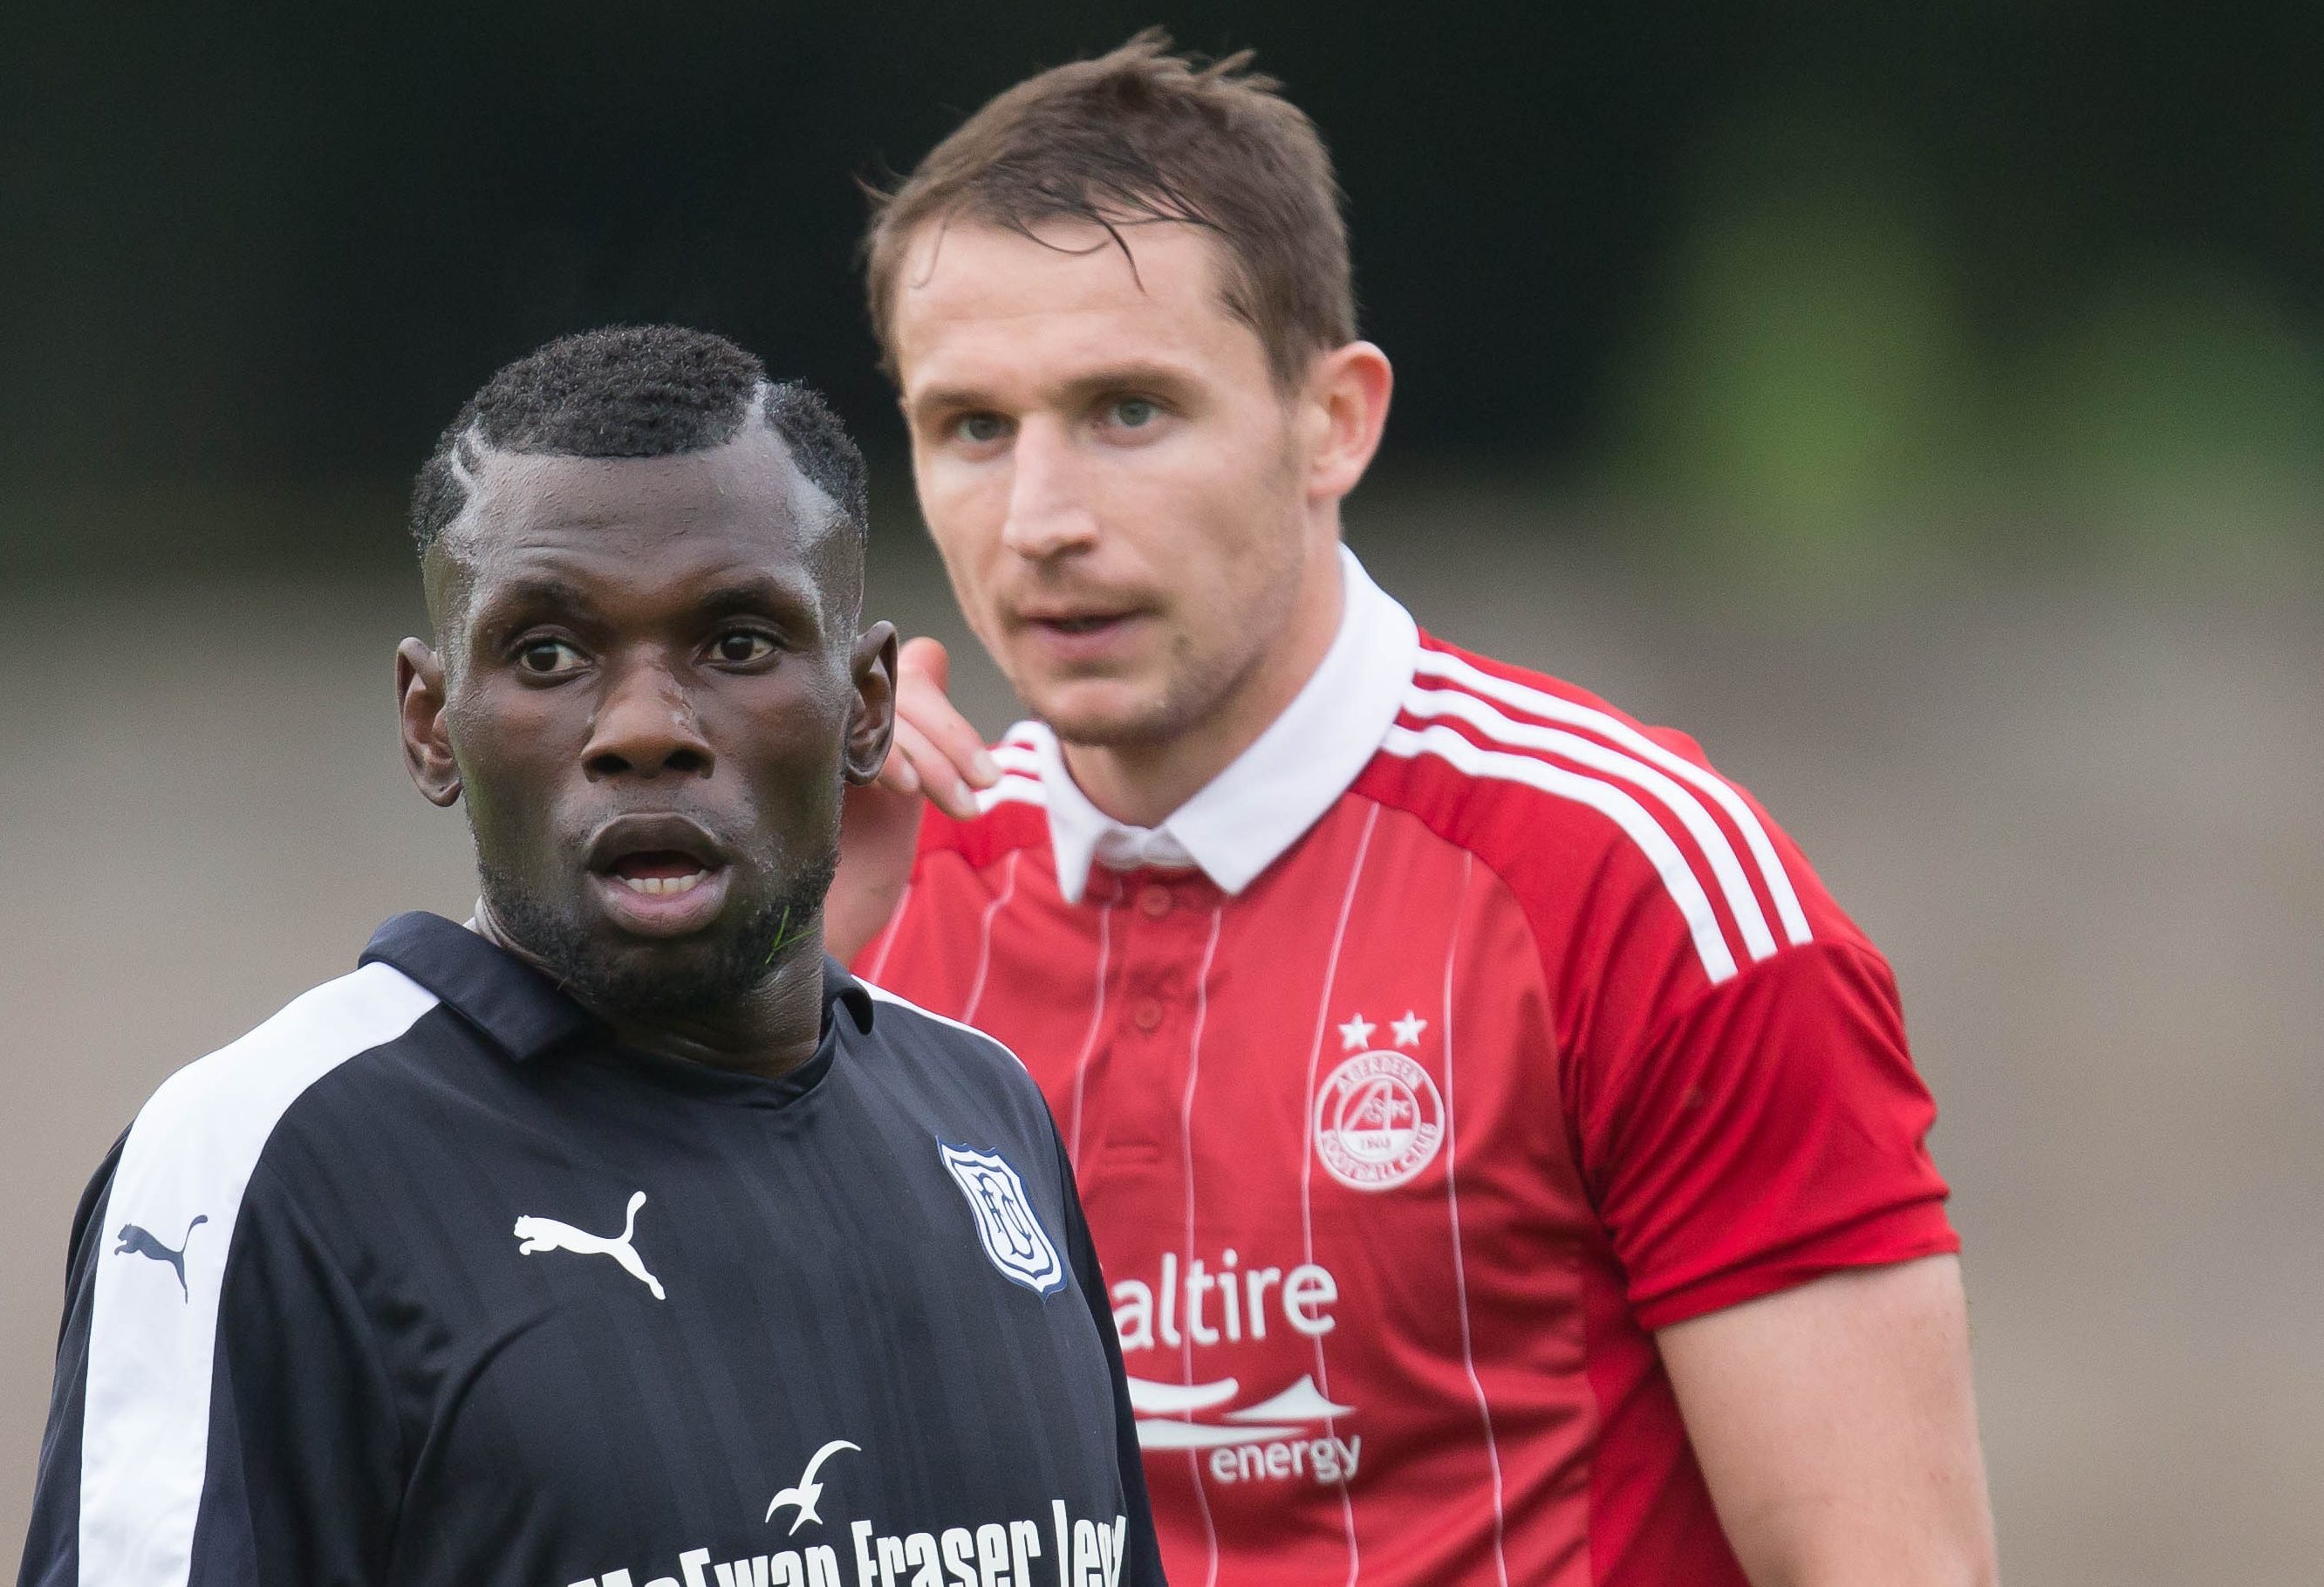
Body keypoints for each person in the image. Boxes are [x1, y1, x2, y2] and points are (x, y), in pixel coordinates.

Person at [830, 34, 1999, 1587]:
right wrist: (771, 964)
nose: (1040, 519)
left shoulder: (1637, 887)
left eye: (1128, 411)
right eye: (973, 427)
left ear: (1336, 423)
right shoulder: (871, 907)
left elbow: (1889, 1564)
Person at [19, 326, 1163, 1587]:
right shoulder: (261, 1166)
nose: (643, 731)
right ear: (430, 725)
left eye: (736, 644)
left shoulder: (986, 1113)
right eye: (548, 655)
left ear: (869, 704)